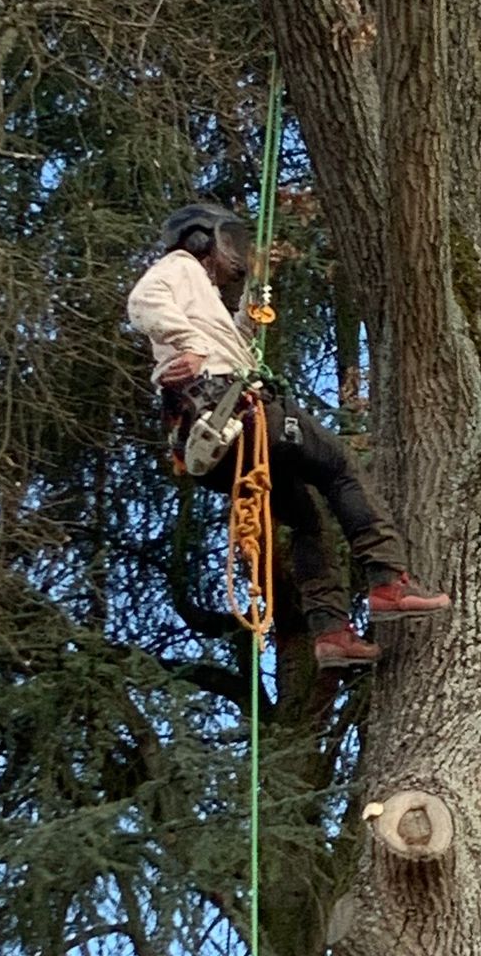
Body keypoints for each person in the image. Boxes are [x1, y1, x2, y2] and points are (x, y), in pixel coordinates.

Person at [128, 202, 450, 669]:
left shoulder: (201, 293)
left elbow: (229, 344)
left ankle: (331, 633)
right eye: (226, 241)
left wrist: (247, 311)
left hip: (216, 441)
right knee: (338, 466)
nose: (231, 254)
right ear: (202, 240)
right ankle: (387, 579)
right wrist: (191, 345)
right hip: (236, 411)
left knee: (305, 520)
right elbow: (144, 302)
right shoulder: (179, 267)